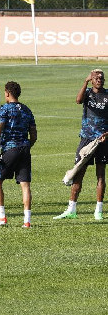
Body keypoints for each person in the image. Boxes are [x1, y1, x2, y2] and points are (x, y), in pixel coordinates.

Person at [54, 69, 106, 221]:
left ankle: (98, 210)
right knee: (78, 173)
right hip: (86, 139)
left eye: (102, 78)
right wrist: (85, 82)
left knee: (101, 175)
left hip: (103, 140)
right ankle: (71, 209)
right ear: (91, 79)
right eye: (96, 78)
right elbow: (78, 100)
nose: (99, 80)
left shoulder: (107, 94)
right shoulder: (88, 93)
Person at [0, 81, 37, 228]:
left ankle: (1, 216)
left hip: (10, 149)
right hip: (25, 149)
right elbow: (33, 134)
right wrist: (28, 145)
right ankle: (27, 221)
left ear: (7, 93)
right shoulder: (27, 110)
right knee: (25, 185)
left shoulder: (4, 109)